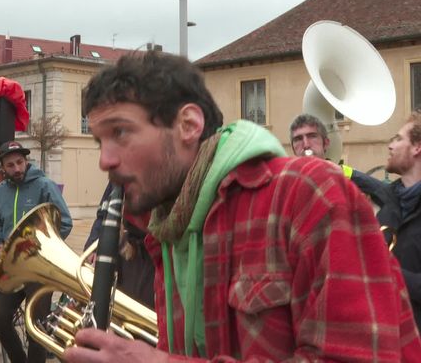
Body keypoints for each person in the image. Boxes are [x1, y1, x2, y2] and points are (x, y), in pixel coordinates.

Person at [63, 51, 421, 362]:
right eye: (100, 141)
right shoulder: (169, 226)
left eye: (120, 132)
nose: (105, 160)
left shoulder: (308, 192)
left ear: (188, 125)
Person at [0, 140, 72, 363]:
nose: (16, 168)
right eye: (10, 165)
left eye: (20, 162)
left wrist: (41, 251)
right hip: (12, 268)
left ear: (26, 161)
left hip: (39, 269)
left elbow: (65, 222)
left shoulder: (44, 185)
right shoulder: (0, 191)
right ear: (3, 168)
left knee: (35, 327)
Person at [341, 110, 421, 331]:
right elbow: (370, 184)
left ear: (417, 147)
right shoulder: (390, 200)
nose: (390, 145)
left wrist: (388, 271)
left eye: (398, 139)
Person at [84, 182, 154, 308]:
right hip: (123, 255)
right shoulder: (118, 178)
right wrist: (93, 244)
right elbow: (103, 214)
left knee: (140, 309)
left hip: (150, 256)